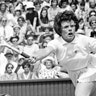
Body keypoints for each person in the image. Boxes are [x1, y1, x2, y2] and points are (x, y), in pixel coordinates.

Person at [29, 10, 96, 96]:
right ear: (60, 29)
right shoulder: (55, 43)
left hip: (90, 70)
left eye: (72, 26)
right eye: (66, 27)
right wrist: (35, 56)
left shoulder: (84, 40)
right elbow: (46, 50)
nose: (70, 29)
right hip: (76, 75)